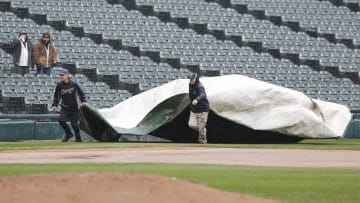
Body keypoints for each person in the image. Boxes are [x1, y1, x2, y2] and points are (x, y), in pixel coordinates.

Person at [52, 69, 87, 142]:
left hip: (74, 108)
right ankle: (68, 134)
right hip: (65, 107)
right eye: (60, 75)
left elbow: (81, 93)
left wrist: (83, 101)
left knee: (74, 124)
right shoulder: (59, 85)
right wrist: (54, 105)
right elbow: (56, 96)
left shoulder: (73, 84)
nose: (61, 76)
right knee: (61, 120)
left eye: (63, 75)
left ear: (67, 75)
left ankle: (78, 138)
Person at [188, 73, 210, 144]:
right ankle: (202, 129)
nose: (191, 80)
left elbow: (203, 94)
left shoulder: (200, 86)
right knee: (191, 124)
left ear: (196, 79)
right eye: (190, 79)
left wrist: (197, 99)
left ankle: (202, 141)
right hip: (194, 109)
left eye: (192, 79)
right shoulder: (190, 85)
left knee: (201, 128)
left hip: (202, 109)